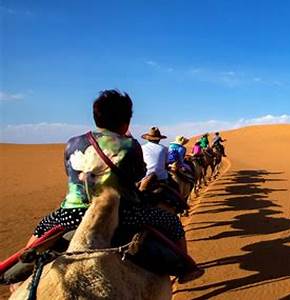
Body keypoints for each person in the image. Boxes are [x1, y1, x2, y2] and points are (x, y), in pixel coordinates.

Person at [28, 90, 202, 283]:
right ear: (126, 122)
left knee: (42, 227)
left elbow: (69, 173)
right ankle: (186, 269)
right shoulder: (130, 144)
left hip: (72, 212)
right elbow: (138, 175)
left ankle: (22, 268)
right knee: (172, 222)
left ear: (96, 117)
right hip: (122, 212)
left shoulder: (72, 142)